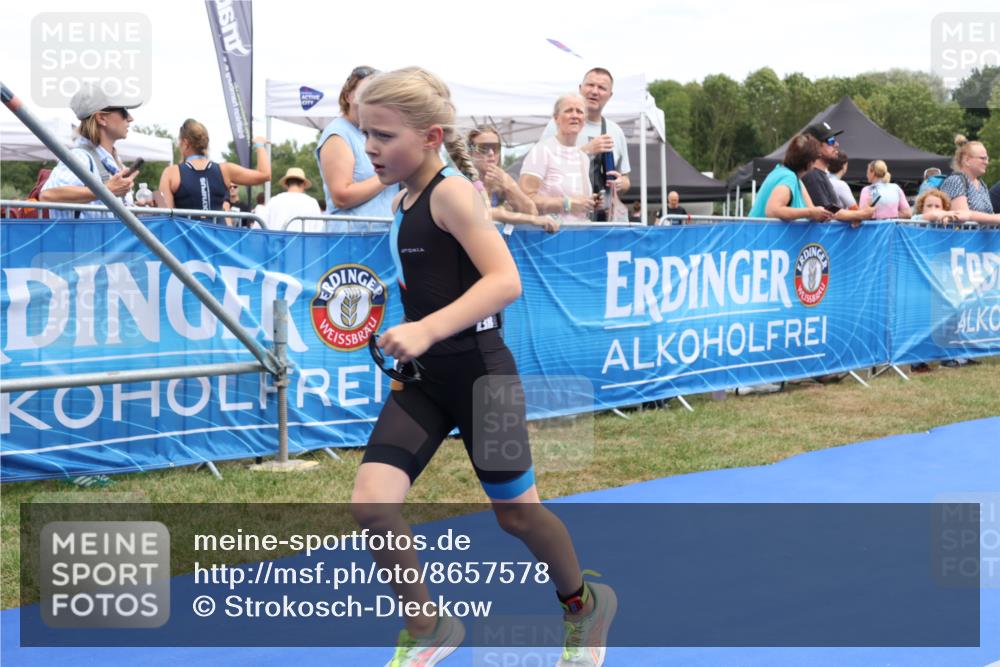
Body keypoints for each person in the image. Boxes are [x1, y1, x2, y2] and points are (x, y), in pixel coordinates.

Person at [354, 67, 616, 667]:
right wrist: (410, 339)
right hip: (424, 383)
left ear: (430, 136)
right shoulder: (403, 198)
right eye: (366, 132)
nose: (370, 147)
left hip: (481, 376)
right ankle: (427, 628)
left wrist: (425, 328)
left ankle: (585, 604)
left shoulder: (452, 193)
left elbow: (505, 281)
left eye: (384, 135)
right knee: (372, 505)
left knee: (518, 516)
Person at [40, 83, 145, 219]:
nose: (130, 118)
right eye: (123, 111)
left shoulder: (113, 160)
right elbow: (48, 195)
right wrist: (107, 190)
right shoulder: (80, 156)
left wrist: (138, 207)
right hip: (85, 240)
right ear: (101, 118)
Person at [316, 66, 398, 232]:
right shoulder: (338, 134)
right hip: (351, 241)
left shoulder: (374, 133)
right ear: (348, 96)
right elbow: (341, 197)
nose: (373, 98)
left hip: (381, 236)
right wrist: (390, 175)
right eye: (366, 91)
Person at [542, 68, 630, 221]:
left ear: (610, 95)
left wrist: (622, 183)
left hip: (605, 222)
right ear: (580, 88)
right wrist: (586, 150)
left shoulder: (616, 131)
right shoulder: (558, 124)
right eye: (590, 85)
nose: (594, 91)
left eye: (602, 88)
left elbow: (626, 178)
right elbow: (540, 170)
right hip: (565, 223)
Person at [156, 119, 271, 225]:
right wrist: (259, 145)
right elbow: (265, 175)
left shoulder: (171, 173)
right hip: (218, 241)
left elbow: (165, 217)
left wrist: (154, 199)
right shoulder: (225, 170)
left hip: (187, 241)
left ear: (185, 143)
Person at [520, 94, 600, 224]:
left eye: (579, 111)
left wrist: (590, 202)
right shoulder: (541, 150)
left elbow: (576, 202)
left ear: (584, 120)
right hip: (550, 236)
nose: (575, 115)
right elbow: (524, 200)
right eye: (568, 110)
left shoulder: (583, 157)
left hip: (579, 234)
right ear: (556, 118)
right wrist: (567, 203)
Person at [468, 126, 559, 233]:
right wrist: (533, 220)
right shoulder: (462, 181)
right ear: (470, 153)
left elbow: (531, 211)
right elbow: (483, 212)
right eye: (483, 148)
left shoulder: (501, 182)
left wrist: (510, 185)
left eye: (496, 147)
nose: (491, 153)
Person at [799, 122, 874, 224]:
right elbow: (828, 213)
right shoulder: (812, 176)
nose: (836, 144)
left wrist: (855, 216)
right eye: (831, 141)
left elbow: (833, 211)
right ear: (816, 146)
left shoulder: (819, 175)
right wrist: (861, 214)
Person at [747, 133, 832, 221]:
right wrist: (810, 212)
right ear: (810, 162)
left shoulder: (791, 177)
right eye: (816, 158)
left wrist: (817, 214)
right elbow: (772, 210)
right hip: (763, 234)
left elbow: (811, 208)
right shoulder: (788, 177)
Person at [940, 135, 1000, 226]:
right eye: (982, 158)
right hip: (962, 239)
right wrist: (996, 218)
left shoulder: (981, 184)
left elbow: (988, 215)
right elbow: (962, 216)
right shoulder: (955, 181)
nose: (987, 162)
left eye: (987, 158)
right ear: (967, 160)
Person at [266, 167, 322, 231]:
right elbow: (319, 230)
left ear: (286, 184)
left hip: (278, 240)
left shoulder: (273, 201)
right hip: (303, 240)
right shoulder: (312, 203)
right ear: (303, 184)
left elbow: (260, 227)